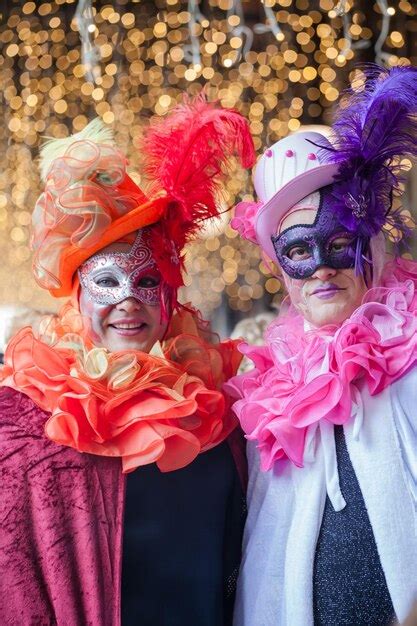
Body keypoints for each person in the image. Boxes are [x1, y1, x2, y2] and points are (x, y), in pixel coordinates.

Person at [0, 96, 255, 625]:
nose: (129, 302)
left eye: (147, 281)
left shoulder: (216, 404)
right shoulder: (23, 420)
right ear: (76, 296)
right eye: (107, 282)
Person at [227, 65, 417, 625]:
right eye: (299, 253)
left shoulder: (410, 354)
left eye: (339, 243)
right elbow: (265, 552)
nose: (322, 270)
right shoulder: (274, 390)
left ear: (369, 242)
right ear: (280, 270)